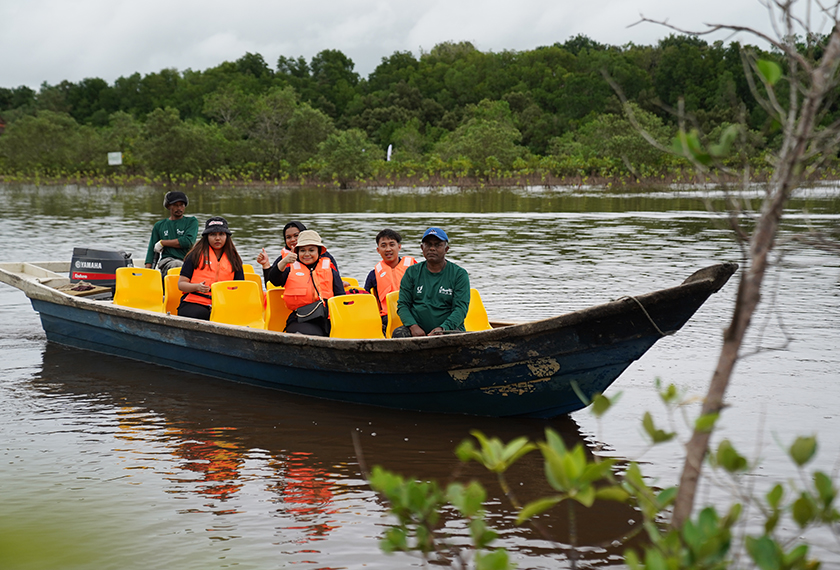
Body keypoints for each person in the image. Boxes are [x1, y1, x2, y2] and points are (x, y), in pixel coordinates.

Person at [393, 227, 470, 338]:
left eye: (438, 245)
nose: (432, 248)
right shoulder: (411, 272)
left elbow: (460, 309)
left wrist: (443, 328)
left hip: (448, 329)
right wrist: (413, 326)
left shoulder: (459, 274)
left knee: (457, 337)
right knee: (398, 333)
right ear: (422, 248)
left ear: (446, 249)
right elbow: (403, 305)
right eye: (428, 244)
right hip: (417, 329)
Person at [266, 230, 344, 336]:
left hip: (326, 319)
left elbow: (340, 298)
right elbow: (274, 280)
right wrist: (284, 261)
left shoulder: (331, 271)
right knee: (310, 335)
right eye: (302, 250)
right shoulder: (290, 269)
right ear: (297, 252)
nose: (307, 254)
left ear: (318, 251)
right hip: (300, 319)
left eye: (311, 250)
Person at [177, 217, 245, 320]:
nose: (217, 238)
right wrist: (197, 287)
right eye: (213, 234)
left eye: (221, 234)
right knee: (202, 314)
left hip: (223, 303)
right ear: (207, 237)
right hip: (194, 302)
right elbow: (181, 284)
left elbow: (240, 288)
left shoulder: (234, 259)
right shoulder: (195, 255)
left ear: (227, 236)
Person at [363, 229, 417, 333]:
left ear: (399, 247)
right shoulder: (373, 275)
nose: (388, 249)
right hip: (388, 318)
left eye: (392, 245)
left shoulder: (414, 268)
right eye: (383, 246)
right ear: (378, 250)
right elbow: (366, 300)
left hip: (413, 314)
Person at [256, 221, 340, 284]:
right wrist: (266, 265)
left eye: (296, 235)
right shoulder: (283, 259)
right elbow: (271, 284)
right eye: (288, 237)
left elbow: (336, 281)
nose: (293, 240)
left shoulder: (325, 258)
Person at [145, 191, 199, 275]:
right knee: (176, 264)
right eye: (175, 205)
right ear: (168, 206)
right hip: (167, 261)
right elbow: (151, 250)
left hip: (186, 261)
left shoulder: (191, 222)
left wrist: (163, 243)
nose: (179, 208)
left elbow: (188, 242)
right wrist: (147, 272)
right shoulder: (159, 225)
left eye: (181, 205)